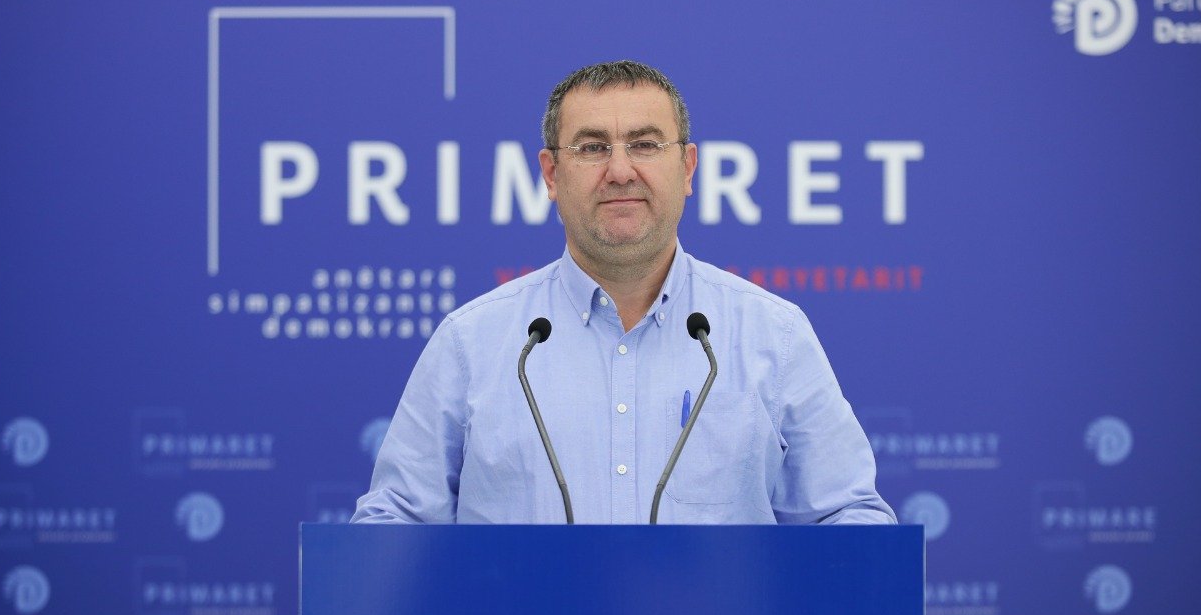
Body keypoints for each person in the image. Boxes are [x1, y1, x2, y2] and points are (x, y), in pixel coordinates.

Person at [352, 60, 894, 525]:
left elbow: (851, 518)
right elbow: (392, 526)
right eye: (592, 148)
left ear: (687, 168)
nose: (619, 170)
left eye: (645, 145)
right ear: (551, 174)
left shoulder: (774, 336)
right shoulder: (471, 343)